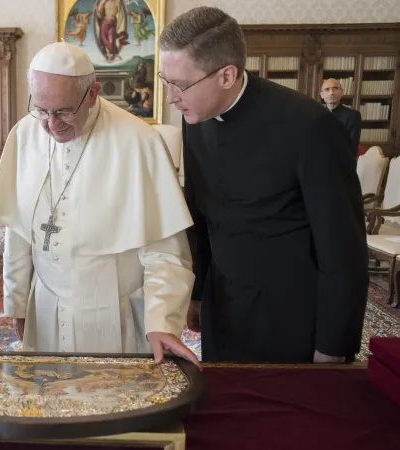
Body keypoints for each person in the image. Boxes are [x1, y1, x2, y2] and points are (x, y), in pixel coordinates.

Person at [158, 7, 368, 363]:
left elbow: (344, 246)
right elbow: (203, 215)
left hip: (292, 316)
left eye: (179, 85)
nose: (169, 98)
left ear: (227, 75)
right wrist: (197, 293)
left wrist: (333, 346)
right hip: (223, 307)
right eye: (165, 81)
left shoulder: (309, 126)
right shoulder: (195, 119)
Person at [0, 42, 200, 367]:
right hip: (45, 307)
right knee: (48, 404)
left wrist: (162, 322)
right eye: (42, 110)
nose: (51, 125)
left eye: (64, 111)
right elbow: (18, 231)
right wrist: (16, 304)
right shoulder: (25, 135)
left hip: (116, 315)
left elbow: (165, 251)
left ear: (93, 93)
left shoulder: (138, 142)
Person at [321, 78, 362, 159]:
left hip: (342, 164)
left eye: (335, 88)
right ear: (322, 95)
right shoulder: (316, 115)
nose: (331, 93)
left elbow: (352, 149)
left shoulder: (353, 115)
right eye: (327, 89)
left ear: (342, 92)